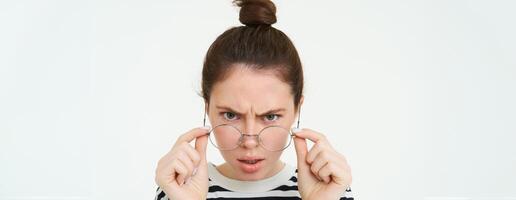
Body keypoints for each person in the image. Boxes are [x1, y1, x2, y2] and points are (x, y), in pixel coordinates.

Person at [154, 0, 353, 199]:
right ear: (208, 107)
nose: (249, 140)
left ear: (296, 109)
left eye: (271, 116)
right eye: (231, 115)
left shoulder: (330, 188)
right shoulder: (178, 187)